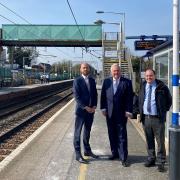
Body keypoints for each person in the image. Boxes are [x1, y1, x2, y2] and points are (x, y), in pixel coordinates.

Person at [138, 69, 172, 172]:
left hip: (157, 119)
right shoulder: (143, 85)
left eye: (151, 76)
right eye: (147, 76)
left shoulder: (162, 87)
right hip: (146, 118)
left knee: (160, 141)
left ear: (155, 76)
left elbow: (169, 100)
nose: (149, 77)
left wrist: (162, 111)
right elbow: (140, 98)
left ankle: (161, 161)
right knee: (149, 140)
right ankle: (151, 158)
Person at [100, 64, 133, 167]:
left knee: (122, 135)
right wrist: (103, 108)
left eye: (118, 71)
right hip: (109, 113)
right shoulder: (106, 81)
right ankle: (114, 153)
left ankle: (123, 157)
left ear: (120, 71)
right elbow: (103, 96)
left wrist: (128, 110)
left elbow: (129, 98)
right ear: (111, 72)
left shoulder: (127, 82)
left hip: (121, 113)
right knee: (112, 133)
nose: (116, 73)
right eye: (114, 71)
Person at [73, 63, 98, 164]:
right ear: (80, 69)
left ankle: (87, 150)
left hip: (90, 111)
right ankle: (78, 154)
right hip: (81, 111)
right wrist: (85, 107)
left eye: (87, 67)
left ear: (89, 69)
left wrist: (95, 105)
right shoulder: (77, 81)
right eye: (84, 68)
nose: (85, 69)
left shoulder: (92, 80)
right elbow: (77, 97)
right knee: (77, 133)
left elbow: (95, 94)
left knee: (87, 131)